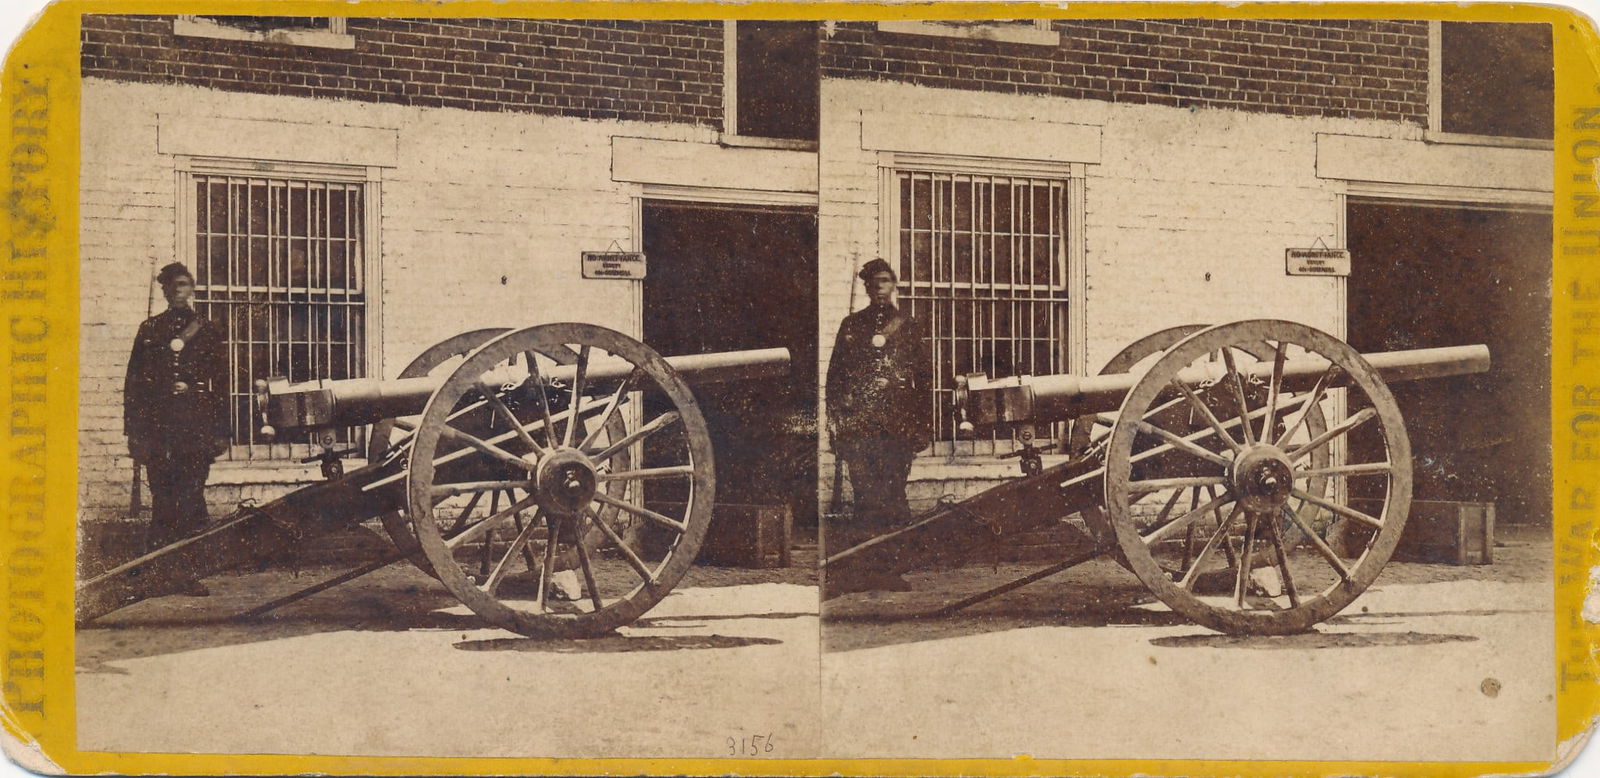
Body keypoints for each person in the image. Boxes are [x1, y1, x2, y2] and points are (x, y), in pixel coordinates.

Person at [124, 262, 229, 589]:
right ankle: (158, 573)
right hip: (159, 429)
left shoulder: (207, 329)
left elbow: (221, 383)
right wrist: (134, 434)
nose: (177, 290)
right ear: (164, 291)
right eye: (170, 285)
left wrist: (221, 431)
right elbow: (133, 385)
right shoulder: (149, 329)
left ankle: (189, 574)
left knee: (192, 498)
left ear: (192, 288)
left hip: (195, 427)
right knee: (162, 499)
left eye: (182, 284)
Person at [825, 258, 932, 537]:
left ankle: (896, 557)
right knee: (864, 495)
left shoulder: (907, 325)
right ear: (866, 288)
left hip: (898, 423)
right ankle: (866, 558)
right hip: (860, 424)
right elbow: (835, 378)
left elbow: (924, 379)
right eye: (873, 283)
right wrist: (835, 424)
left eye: (884, 281)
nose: (879, 287)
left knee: (895, 493)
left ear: (894, 284)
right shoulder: (852, 325)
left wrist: (923, 426)